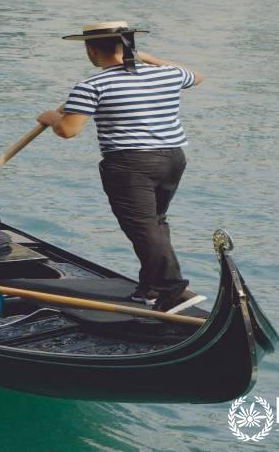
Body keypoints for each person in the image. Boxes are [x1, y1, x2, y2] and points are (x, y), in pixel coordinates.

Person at [36, 21, 204, 312]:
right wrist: (150, 60)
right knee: (155, 221)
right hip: (172, 158)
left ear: (90, 49)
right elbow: (196, 77)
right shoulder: (169, 75)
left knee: (143, 228)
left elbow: (68, 131)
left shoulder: (92, 85)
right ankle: (150, 288)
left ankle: (174, 291)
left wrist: (51, 118)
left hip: (130, 164)